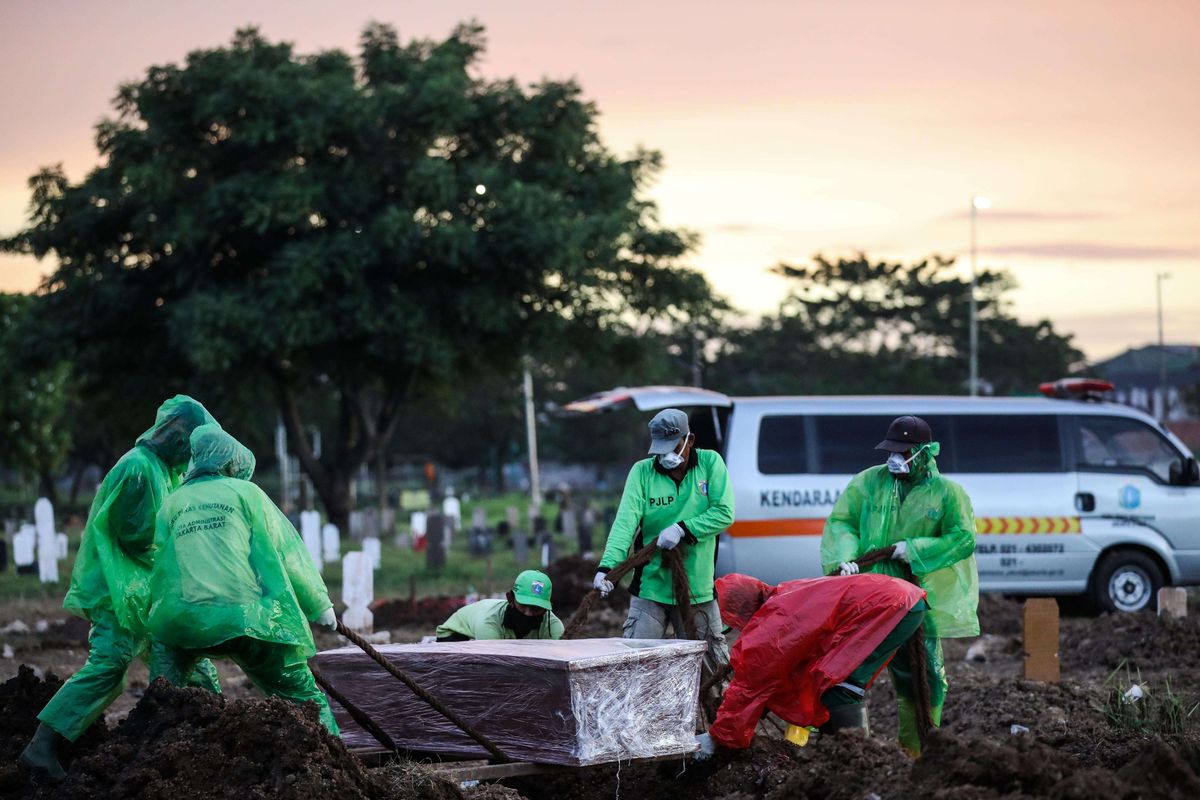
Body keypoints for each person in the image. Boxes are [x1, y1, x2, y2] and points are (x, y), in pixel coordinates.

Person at [21, 396, 222, 784]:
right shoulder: (138, 469)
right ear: (178, 438)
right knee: (110, 665)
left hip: (140, 588)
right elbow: (137, 535)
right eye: (191, 446)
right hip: (118, 590)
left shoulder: (162, 471)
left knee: (181, 657)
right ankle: (41, 748)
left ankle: (209, 736)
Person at [146, 425, 340, 734]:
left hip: (183, 622)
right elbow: (286, 551)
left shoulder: (171, 504)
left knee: (165, 692)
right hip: (246, 619)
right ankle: (333, 756)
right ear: (229, 462)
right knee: (301, 696)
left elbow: (161, 570)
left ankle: (158, 739)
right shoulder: (247, 493)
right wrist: (319, 604)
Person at [820, 415, 979, 755]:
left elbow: (962, 538)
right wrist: (845, 559)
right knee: (842, 671)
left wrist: (916, 549)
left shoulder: (948, 494)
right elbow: (842, 522)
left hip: (918, 600)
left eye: (902, 452)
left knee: (924, 681)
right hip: (870, 595)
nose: (893, 458)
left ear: (923, 453)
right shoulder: (869, 483)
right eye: (890, 451)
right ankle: (828, 746)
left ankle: (914, 751)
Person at [694, 572, 928, 759]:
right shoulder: (784, 596)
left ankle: (859, 758)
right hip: (897, 598)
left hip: (894, 605)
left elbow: (751, 684)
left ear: (738, 610)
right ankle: (835, 749)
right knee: (826, 682)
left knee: (841, 685)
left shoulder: (773, 627)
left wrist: (719, 737)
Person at [593, 408, 735, 675]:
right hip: (651, 589)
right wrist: (607, 567)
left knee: (714, 672)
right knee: (633, 669)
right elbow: (625, 523)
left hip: (697, 590)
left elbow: (724, 513)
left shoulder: (710, 464)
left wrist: (684, 529)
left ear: (689, 440)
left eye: (673, 447)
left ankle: (716, 716)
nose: (666, 456)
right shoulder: (642, 473)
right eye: (660, 449)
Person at [436, 570, 564, 641]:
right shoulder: (489, 624)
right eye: (523, 605)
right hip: (456, 635)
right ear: (511, 599)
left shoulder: (553, 628)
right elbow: (493, 665)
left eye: (536, 609)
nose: (528, 613)